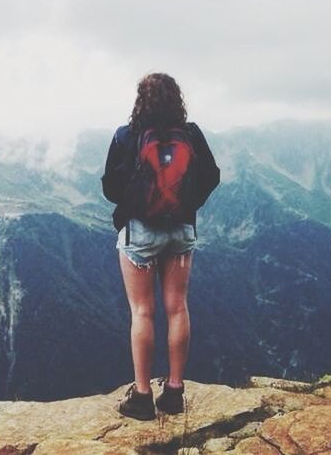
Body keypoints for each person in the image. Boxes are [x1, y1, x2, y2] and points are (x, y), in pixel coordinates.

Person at [101, 72, 221, 419]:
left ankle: (141, 397)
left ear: (140, 100)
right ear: (176, 99)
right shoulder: (192, 134)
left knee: (142, 311)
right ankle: (174, 391)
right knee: (177, 308)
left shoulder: (126, 136)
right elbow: (211, 175)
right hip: (181, 229)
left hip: (140, 232)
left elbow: (111, 188)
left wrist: (137, 202)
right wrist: (187, 204)